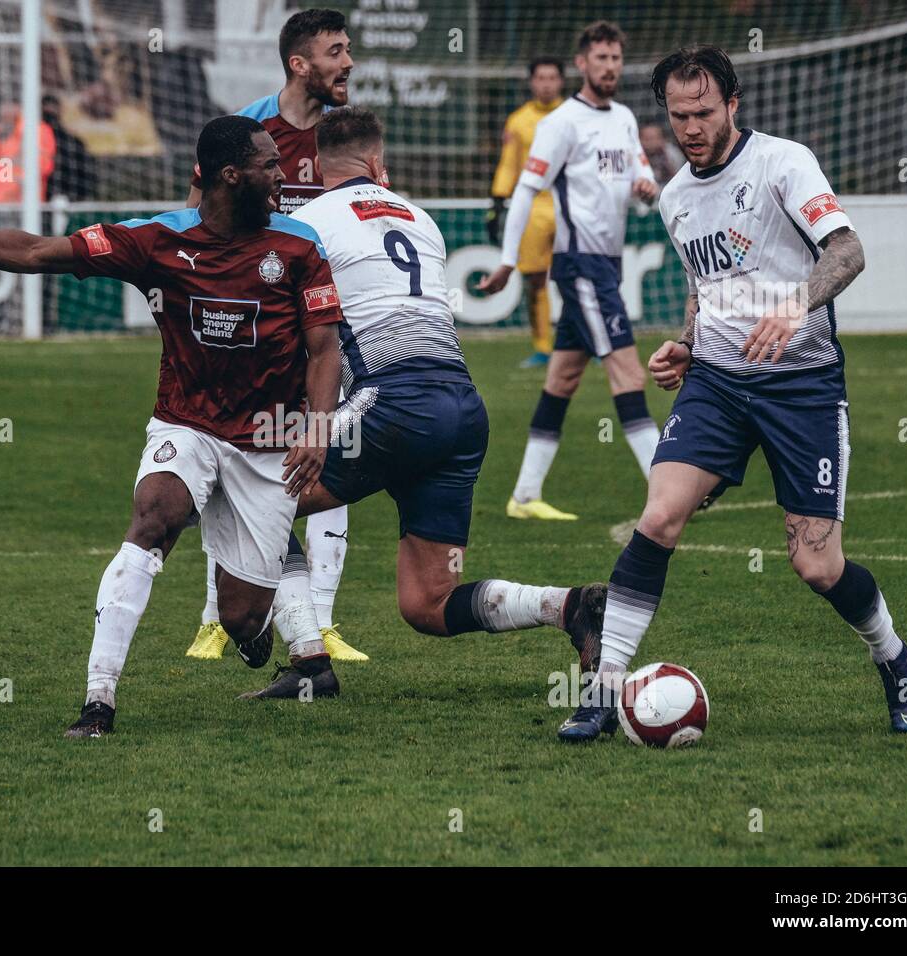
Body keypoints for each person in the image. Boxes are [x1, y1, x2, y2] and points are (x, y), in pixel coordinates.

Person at [0, 115, 344, 735]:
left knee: (242, 620)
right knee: (152, 518)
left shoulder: (301, 245)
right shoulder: (157, 239)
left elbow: (324, 348)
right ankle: (98, 702)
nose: (283, 176)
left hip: (266, 443)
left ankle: (250, 625)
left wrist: (318, 426)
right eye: (270, 165)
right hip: (187, 425)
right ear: (232, 175)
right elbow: (37, 251)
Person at [555, 45, 907, 741]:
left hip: (803, 390)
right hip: (718, 386)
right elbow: (706, 291)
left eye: (702, 112)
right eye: (677, 116)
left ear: (733, 103)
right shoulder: (673, 196)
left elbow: (846, 251)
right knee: (660, 516)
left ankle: (893, 656)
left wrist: (794, 307)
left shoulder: (783, 163)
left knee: (817, 564)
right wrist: (689, 345)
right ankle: (602, 692)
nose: (690, 128)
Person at [241, 107, 607, 700]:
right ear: (379, 163)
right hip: (461, 409)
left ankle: (306, 657)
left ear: (314, 164)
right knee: (427, 602)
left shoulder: (305, 225)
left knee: (252, 494)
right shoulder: (422, 219)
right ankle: (567, 608)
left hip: (391, 405)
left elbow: (296, 333)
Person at [184, 8, 367, 664]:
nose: (348, 62)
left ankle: (320, 620)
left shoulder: (346, 139)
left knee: (331, 461)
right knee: (229, 466)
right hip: (251, 339)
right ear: (300, 63)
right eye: (336, 51)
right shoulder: (248, 130)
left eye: (348, 49)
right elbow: (201, 219)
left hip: (323, 332)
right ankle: (216, 614)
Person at [479, 21, 661, 523]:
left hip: (606, 263)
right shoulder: (561, 122)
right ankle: (667, 485)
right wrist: (508, 261)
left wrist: (647, 186)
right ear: (582, 63)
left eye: (616, 59)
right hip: (581, 266)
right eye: (601, 58)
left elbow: (641, 170)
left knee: (562, 379)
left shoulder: (623, 117)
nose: (610, 67)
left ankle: (524, 496)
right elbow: (524, 190)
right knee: (628, 370)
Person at [488, 56, 565, 369]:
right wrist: (497, 201)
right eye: (540, 77)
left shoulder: (573, 115)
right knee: (536, 279)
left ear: (561, 81)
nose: (546, 83)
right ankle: (543, 347)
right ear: (532, 82)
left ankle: (593, 344)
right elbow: (509, 164)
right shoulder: (518, 120)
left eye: (552, 77)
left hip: (568, 204)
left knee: (581, 276)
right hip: (533, 207)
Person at [0, 102, 56, 203]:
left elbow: (43, 166)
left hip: (23, 203)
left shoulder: (37, 130)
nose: (3, 109)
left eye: (9, 104)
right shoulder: (4, 136)